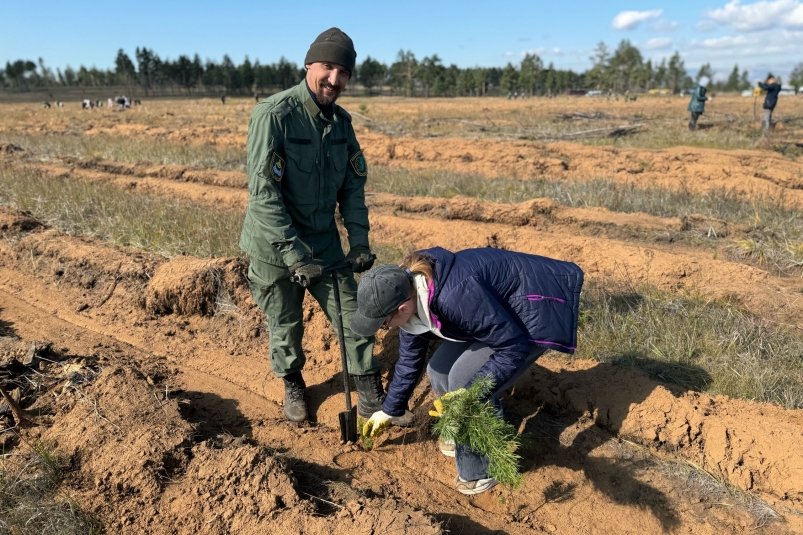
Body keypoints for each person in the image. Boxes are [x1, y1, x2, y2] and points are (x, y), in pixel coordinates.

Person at [240, 27, 407, 426]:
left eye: (343, 72)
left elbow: (352, 187)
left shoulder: (342, 125)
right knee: (285, 322)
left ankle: (368, 392)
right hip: (274, 248)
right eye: (328, 67)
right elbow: (264, 196)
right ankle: (293, 383)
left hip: (324, 245)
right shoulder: (274, 116)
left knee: (354, 314)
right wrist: (295, 255)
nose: (334, 79)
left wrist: (360, 242)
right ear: (309, 64)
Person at [353, 247, 584, 495]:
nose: (385, 329)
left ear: (402, 309)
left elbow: (511, 347)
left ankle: (480, 469)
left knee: (463, 382)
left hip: (534, 310)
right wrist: (389, 410)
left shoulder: (454, 295)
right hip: (494, 314)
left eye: (384, 323)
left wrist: (469, 394)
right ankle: (458, 430)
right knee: (439, 370)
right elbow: (410, 361)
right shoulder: (409, 295)